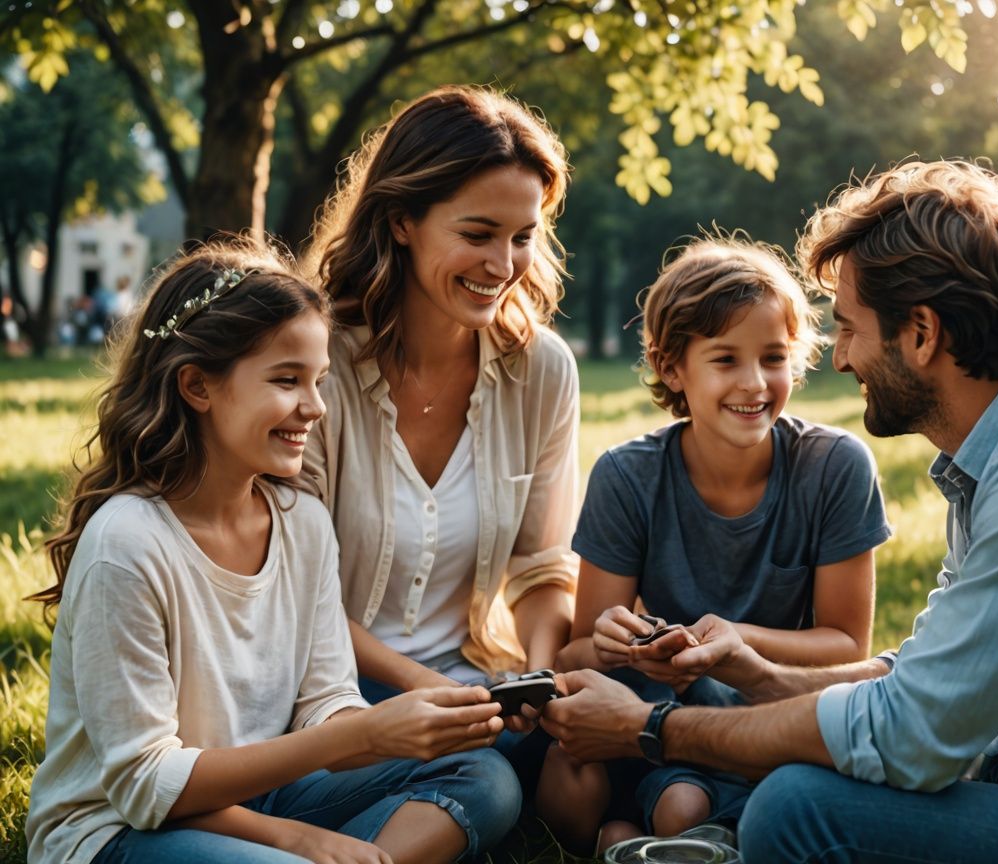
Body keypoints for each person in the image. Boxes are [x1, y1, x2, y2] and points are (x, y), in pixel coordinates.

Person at [540, 160, 998, 863]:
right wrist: (755, 675)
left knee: (798, 810)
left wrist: (652, 728)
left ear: (921, 334)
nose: (840, 360)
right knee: (806, 777)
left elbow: (911, 735)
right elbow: (918, 672)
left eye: (852, 328)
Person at [25, 240, 520, 864]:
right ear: (197, 386)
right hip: (123, 830)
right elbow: (144, 785)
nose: (314, 407)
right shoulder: (127, 544)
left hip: (263, 793)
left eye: (318, 380)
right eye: (286, 380)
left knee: (484, 777)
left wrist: (393, 729)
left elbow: (325, 700)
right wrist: (303, 835)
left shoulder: (301, 523)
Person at [537, 234, 890, 854]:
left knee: (681, 809)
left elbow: (845, 645)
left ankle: (646, 834)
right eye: (725, 359)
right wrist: (615, 643)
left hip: (768, 709)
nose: (755, 384)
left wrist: (733, 639)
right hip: (654, 713)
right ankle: (648, 828)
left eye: (774, 357)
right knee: (592, 787)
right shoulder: (628, 476)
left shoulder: (834, 467)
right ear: (673, 367)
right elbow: (579, 654)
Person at [300, 85, 579, 706]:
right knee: (490, 782)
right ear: (402, 221)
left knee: (607, 748)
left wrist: (537, 686)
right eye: (478, 234)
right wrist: (441, 696)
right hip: (323, 684)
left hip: (475, 678)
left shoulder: (542, 373)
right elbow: (297, 596)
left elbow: (541, 566)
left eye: (522, 237)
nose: (503, 265)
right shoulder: (315, 367)